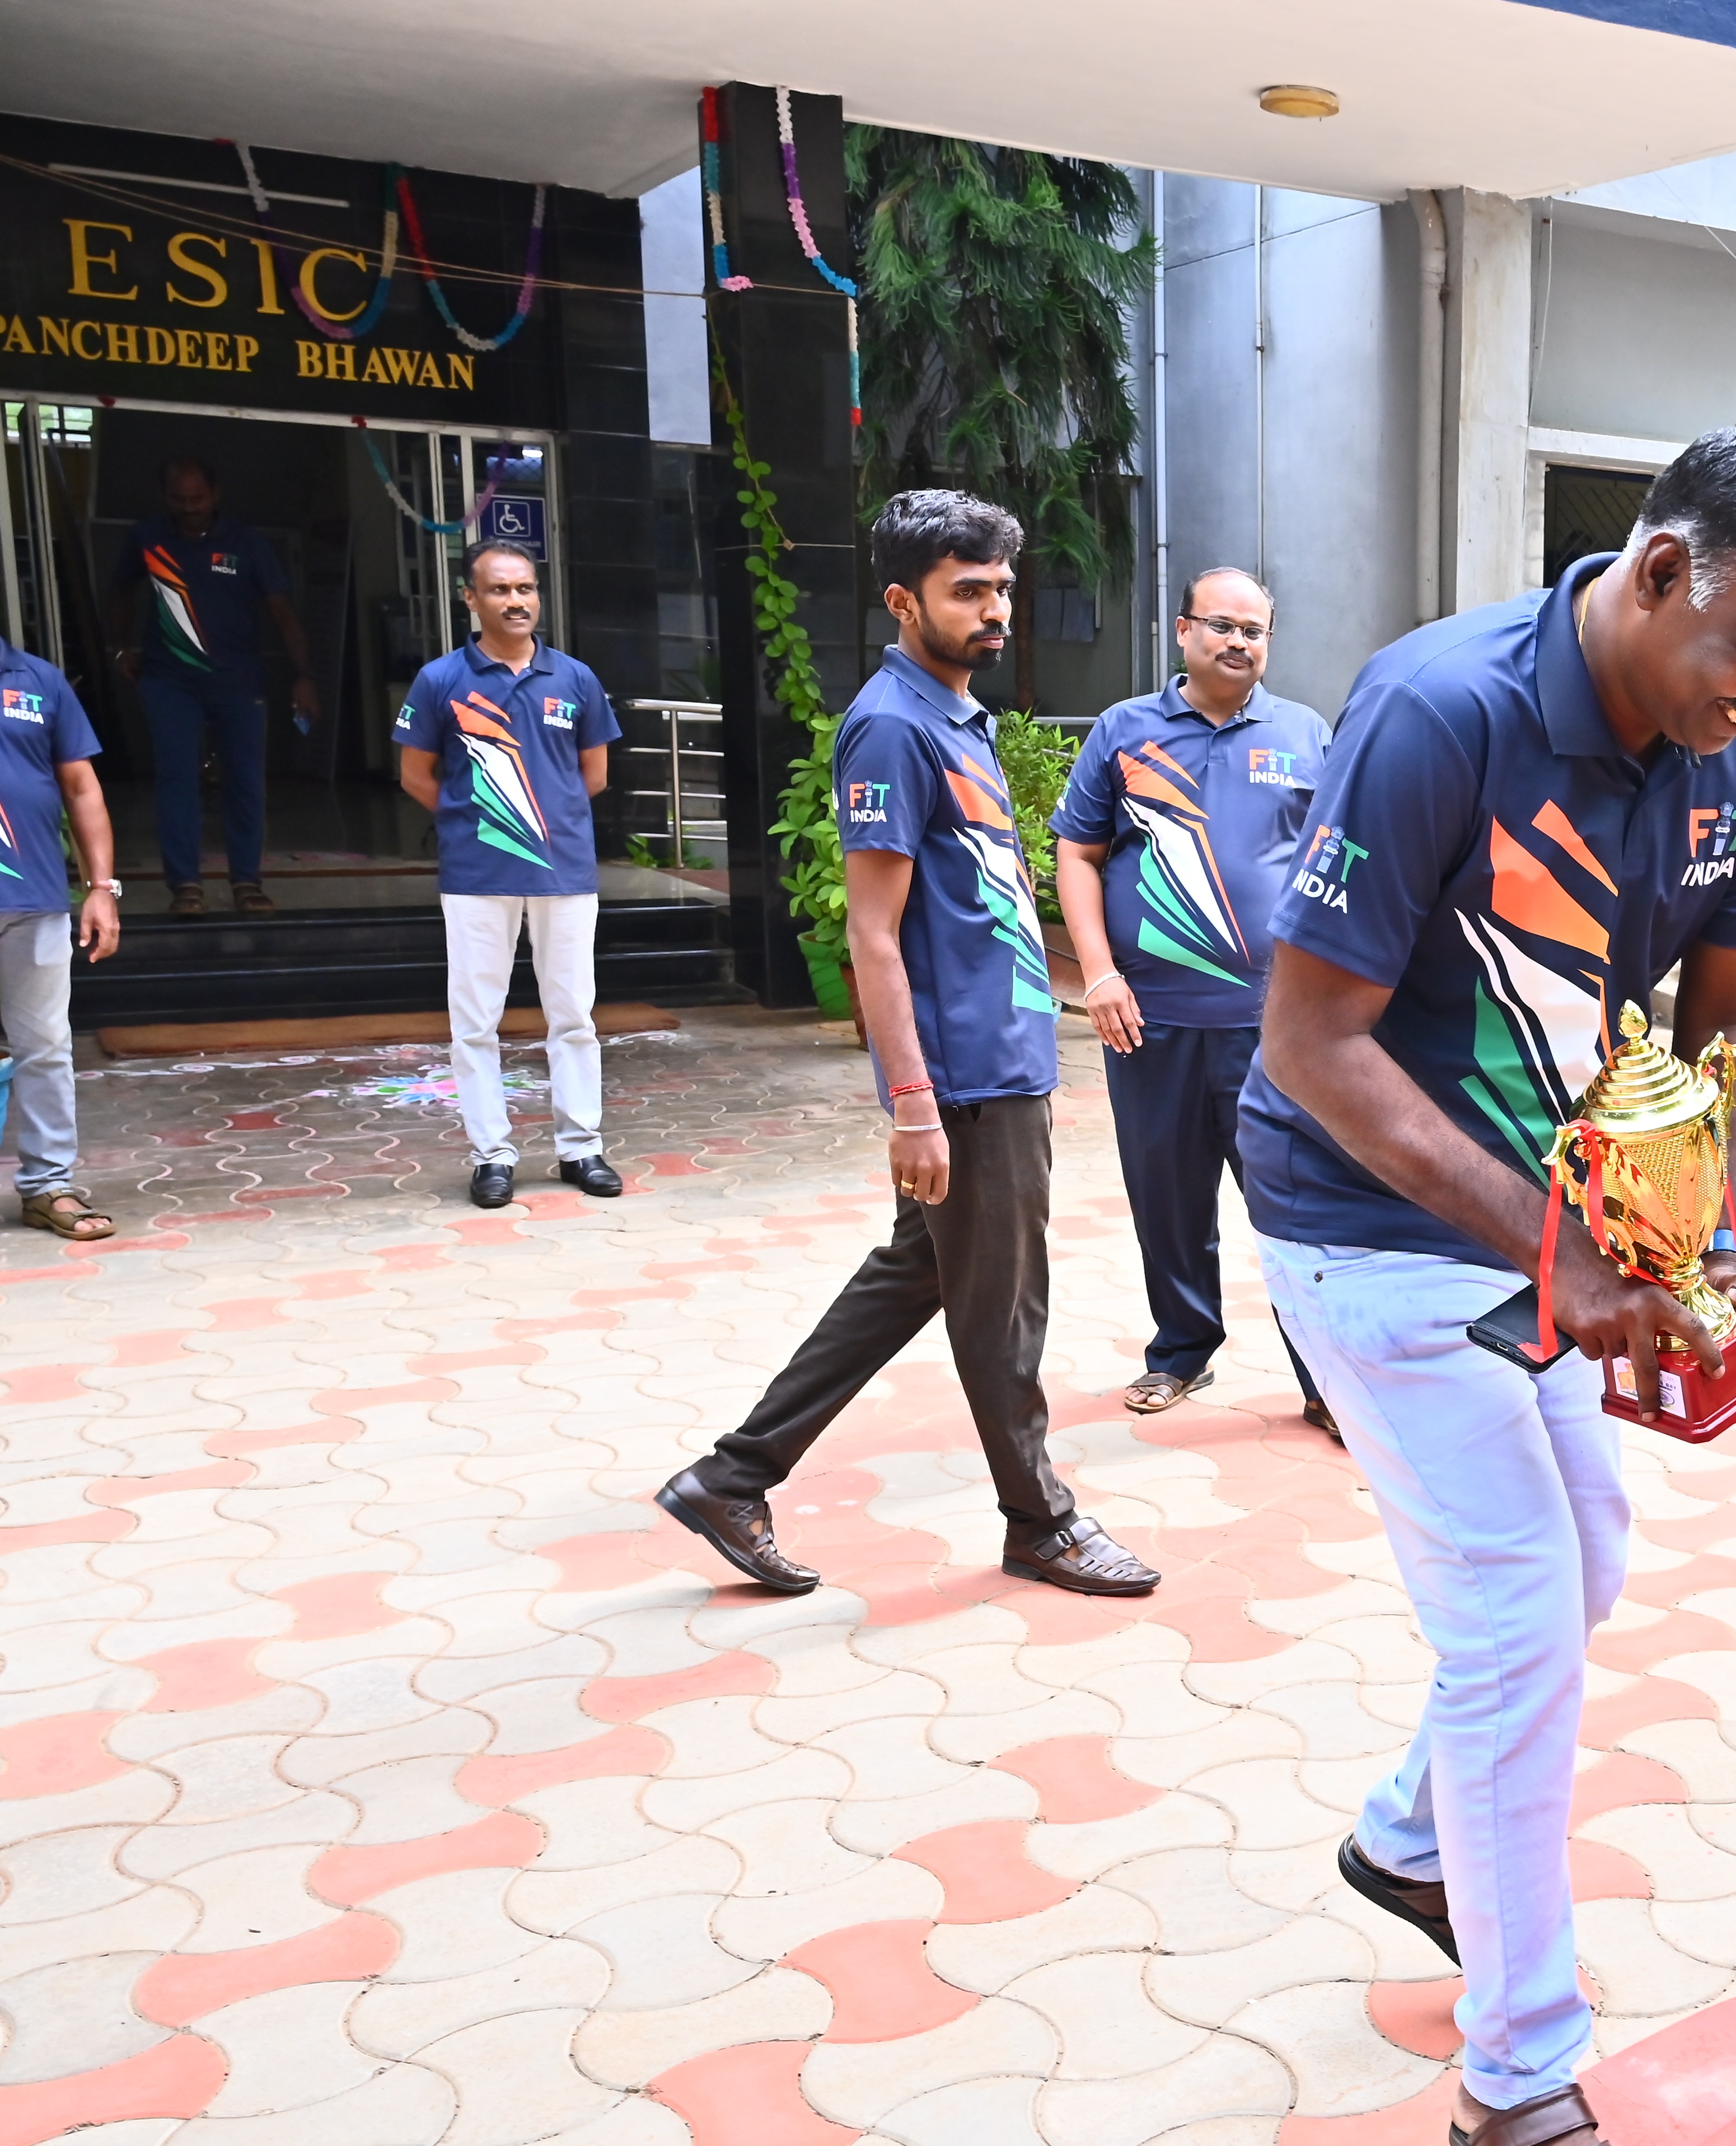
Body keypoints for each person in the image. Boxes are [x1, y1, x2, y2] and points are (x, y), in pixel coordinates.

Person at [1248, 420, 1736, 2146]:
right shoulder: (1439, 711)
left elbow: (1730, 1017)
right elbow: (1311, 1044)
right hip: (1364, 1220)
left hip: (1555, 1226)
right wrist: (1556, 1249)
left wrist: (1712, 1242)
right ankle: (1518, 2077)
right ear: (1660, 569)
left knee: (1585, 1558)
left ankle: (1409, 1833)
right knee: (1518, 1605)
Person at [653, 490, 1157, 1601]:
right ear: (901, 599)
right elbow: (871, 935)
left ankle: (731, 1479)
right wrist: (915, 1105)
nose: (994, 611)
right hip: (967, 1078)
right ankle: (1042, 1520)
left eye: (1003, 589)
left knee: (918, 1275)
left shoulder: (957, 717)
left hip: (1004, 1054)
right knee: (1002, 1304)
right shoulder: (890, 724)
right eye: (967, 590)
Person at [1052, 565, 1334, 1430]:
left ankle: (1330, 1382)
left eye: (1254, 630)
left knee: (1296, 1209)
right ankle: (1182, 1350)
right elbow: (1078, 855)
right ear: (1182, 632)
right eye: (1221, 625)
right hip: (1150, 1022)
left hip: (1275, 1031)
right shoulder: (1125, 731)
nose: (1238, 641)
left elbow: (1337, 862)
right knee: (1167, 1199)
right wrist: (1098, 975)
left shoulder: (1305, 732)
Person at [392, 540, 624, 1208]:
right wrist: (476, 821)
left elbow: (596, 774)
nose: (516, 601)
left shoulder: (574, 678)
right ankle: (491, 1156)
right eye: (499, 590)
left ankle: (582, 1147)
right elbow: (416, 775)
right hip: (475, 873)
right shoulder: (440, 680)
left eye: (525, 588)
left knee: (573, 1014)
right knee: (475, 1021)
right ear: (471, 599)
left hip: (565, 873)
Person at [106, 457, 317, 917]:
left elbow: (282, 612)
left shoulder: (247, 544)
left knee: (245, 783)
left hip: (238, 682)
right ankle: (185, 886)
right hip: (168, 682)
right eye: (180, 500)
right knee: (176, 781)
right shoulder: (147, 538)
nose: (189, 508)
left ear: (215, 495)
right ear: (165, 498)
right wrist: (122, 648)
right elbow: (121, 588)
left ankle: (247, 882)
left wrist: (303, 676)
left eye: (197, 499)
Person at [0, 638, 122, 1240]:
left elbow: (81, 786)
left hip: (34, 897)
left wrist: (102, 887)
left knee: (46, 1045)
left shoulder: (39, 680)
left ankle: (48, 1186)